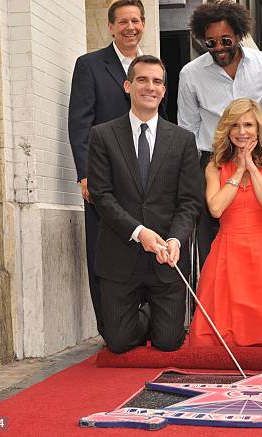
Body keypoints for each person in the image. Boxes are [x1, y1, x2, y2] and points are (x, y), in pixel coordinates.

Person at [87, 55, 202, 354]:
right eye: (142, 80)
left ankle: (156, 312)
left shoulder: (183, 140)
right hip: (120, 256)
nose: (150, 87)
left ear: (164, 90)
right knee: (120, 342)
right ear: (127, 86)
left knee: (168, 342)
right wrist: (139, 232)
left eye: (157, 81)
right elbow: (102, 195)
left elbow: (190, 200)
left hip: (166, 260)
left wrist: (176, 238)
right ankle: (136, 316)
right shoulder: (102, 135)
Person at [68, 0, 165, 337]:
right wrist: (84, 175)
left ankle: (149, 323)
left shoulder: (151, 68)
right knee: (104, 252)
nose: (130, 27)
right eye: (122, 21)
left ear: (144, 25)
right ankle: (110, 330)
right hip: (103, 179)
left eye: (136, 21)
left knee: (149, 248)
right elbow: (79, 124)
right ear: (110, 26)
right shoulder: (90, 65)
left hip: (144, 180)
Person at [188, 99, 262, 348]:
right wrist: (237, 171)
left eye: (248, 125)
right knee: (207, 342)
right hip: (226, 252)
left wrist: (252, 169)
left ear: (258, 129)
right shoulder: (214, 167)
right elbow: (216, 208)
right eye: (235, 125)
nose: (242, 131)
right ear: (227, 130)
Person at [178, 0, 262, 267]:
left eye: (225, 39)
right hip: (213, 163)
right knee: (213, 251)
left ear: (238, 34)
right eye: (210, 42)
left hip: (259, 162)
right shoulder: (190, 74)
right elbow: (187, 130)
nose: (219, 48)